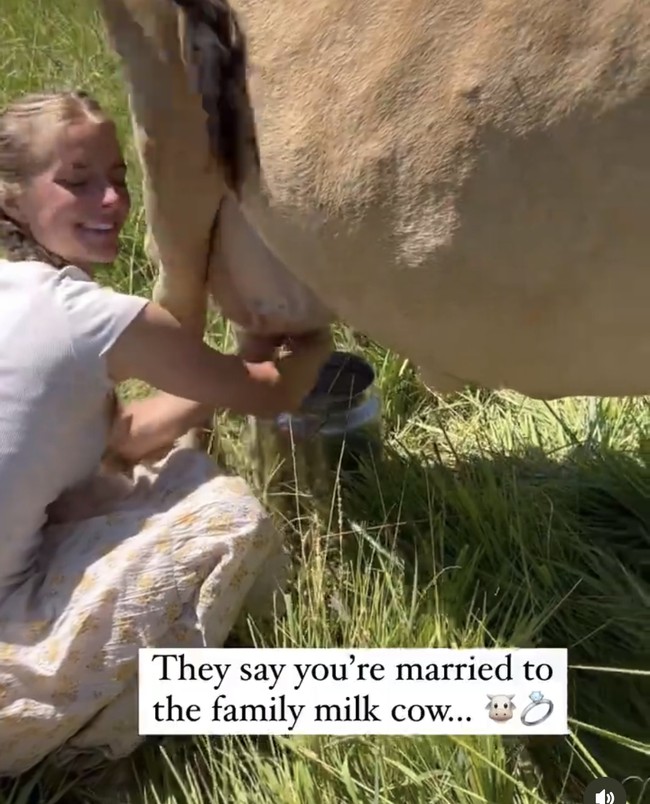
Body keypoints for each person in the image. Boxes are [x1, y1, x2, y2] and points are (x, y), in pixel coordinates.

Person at [0, 90, 332, 777]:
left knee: (123, 483)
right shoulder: (87, 317)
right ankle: (106, 742)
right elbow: (273, 393)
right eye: (77, 181)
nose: (110, 200)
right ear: (11, 199)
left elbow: (119, 436)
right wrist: (316, 338)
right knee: (225, 517)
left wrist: (223, 373)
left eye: (118, 178)